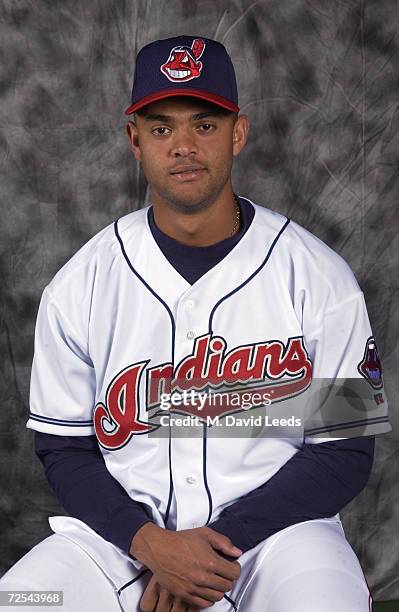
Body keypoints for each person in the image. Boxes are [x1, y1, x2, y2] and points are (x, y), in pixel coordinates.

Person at [0, 35, 390, 612]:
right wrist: (151, 545)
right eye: (162, 128)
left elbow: (344, 450)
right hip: (120, 542)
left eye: (204, 125)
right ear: (135, 138)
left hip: (277, 538)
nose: (183, 145)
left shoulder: (319, 277)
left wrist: (204, 559)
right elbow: (63, 448)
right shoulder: (80, 283)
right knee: (23, 601)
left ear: (238, 132)